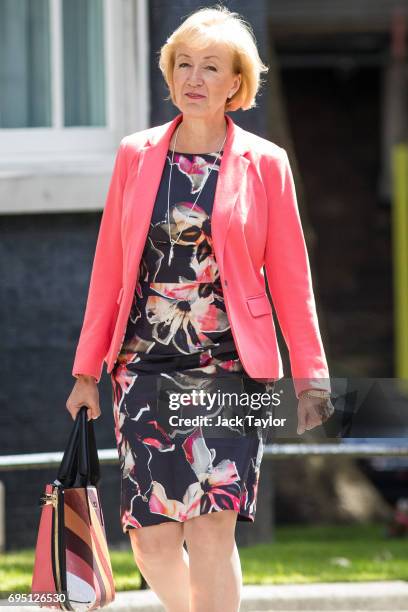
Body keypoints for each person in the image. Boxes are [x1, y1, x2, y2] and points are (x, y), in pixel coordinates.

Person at [66, 5, 334, 611]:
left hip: (230, 364)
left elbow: (293, 281)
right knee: (153, 536)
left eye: (209, 67)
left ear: (236, 83)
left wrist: (312, 378)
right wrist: (86, 372)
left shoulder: (266, 163)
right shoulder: (135, 156)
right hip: (143, 364)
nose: (193, 78)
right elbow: (108, 270)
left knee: (213, 521)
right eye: (182, 64)